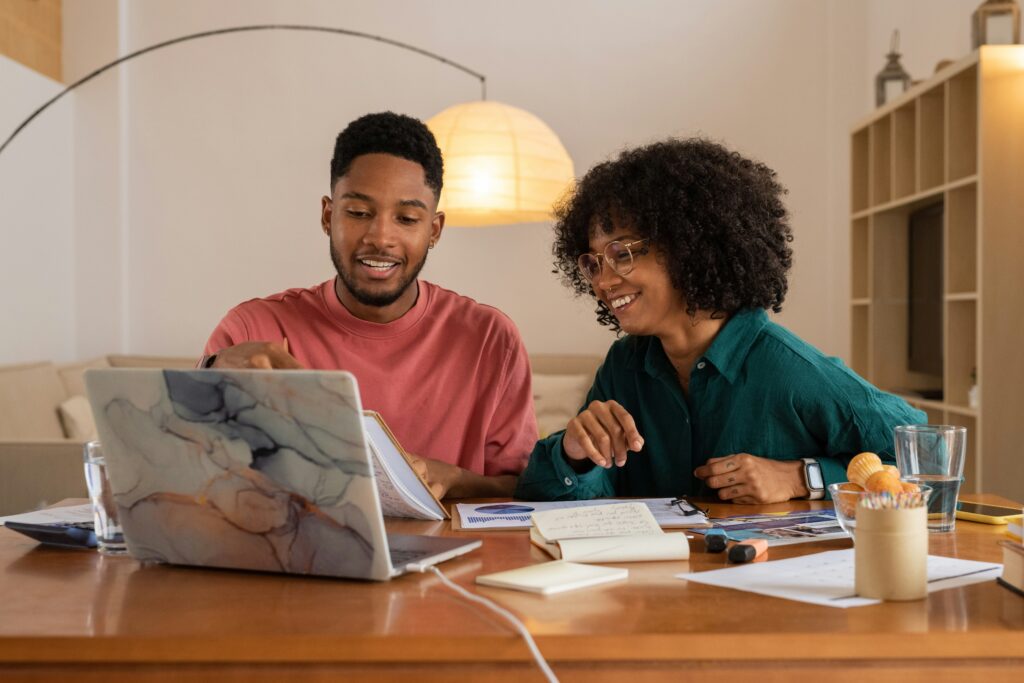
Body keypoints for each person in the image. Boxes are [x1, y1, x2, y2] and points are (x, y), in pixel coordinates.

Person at [514, 138, 924, 504]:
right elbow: (545, 496)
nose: (603, 281)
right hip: (653, 585)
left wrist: (805, 476)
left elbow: (923, 454)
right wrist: (574, 453)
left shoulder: (786, 368)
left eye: (622, 253)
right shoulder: (624, 367)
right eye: (594, 262)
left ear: (688, 248)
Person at [202, 112, 537, 498]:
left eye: (407, 218)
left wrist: (455, 478)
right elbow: (189, 474)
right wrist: (212, 374)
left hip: (451, 558)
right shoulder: (251, 329)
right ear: (328, 216)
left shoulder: (490, 338)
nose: (381, 238)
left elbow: (522, 488)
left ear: (434, 230)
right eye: (359, 213)